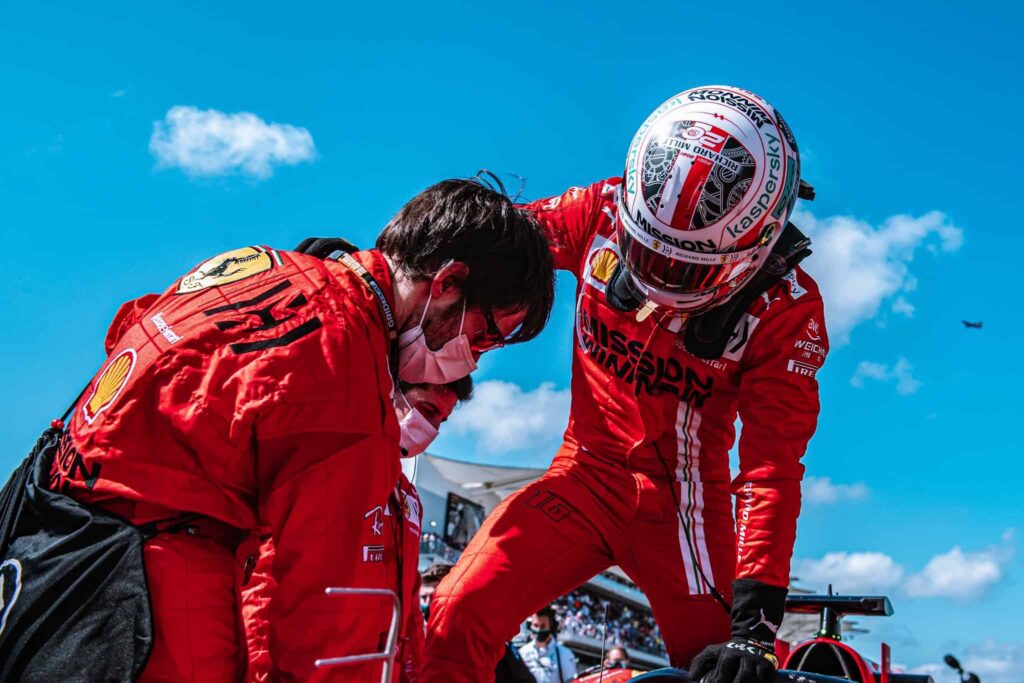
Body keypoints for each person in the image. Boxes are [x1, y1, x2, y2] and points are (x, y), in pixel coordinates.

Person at [43, 177, 555, 681]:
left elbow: (129, 326)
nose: (473, 360)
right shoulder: (345, 359)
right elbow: (330, 614)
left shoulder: (256, 266)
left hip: (52, 556)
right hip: (157, 608)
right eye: (486, 337)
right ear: (446, 283)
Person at [424, 86, 828, 683]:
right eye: (650, 253)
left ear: (758, 238)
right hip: (582, 475)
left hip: (687, 511)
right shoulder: (600, 209)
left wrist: (756, 628)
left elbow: (771, 469)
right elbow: (489, 242)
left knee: (723, 672)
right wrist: (377, 272)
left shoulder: (786, 310)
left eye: (685, 265)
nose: (662, 281)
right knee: (453, 619)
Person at [242, 378, 472, 682]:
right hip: (304, 669)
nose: (432, 429)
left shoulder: (409, 498)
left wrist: (414, 674)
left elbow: (409, 606)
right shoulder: (328, 465)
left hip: (376, 670)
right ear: (392, 391)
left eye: (441, 421)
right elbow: (266, 579)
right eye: (427, 410)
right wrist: (259, 671)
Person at [518, 606, 578, 683]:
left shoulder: (565, 654)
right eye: (536, 625)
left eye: (543, 626)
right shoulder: (522, 653)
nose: (539, 629)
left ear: (552, 627)